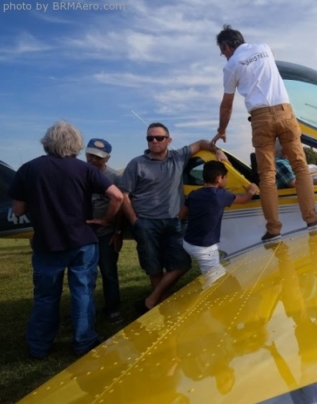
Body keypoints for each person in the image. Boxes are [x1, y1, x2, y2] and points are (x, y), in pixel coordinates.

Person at [9, 120, 123, 358]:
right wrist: (105, 220)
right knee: (82, 293)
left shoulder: (29, 169)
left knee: (45, 297)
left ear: (47, 142)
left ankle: (39, 346)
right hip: (82, 241)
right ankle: (83, 342)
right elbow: (117, 196)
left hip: (46, 243)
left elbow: (18, 210)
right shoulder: (86, 169)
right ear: (77, 144)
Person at [211, 24, 317, 242]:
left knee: (267, 176)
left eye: (222, 52)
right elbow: (270, 58)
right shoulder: (264, 48)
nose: (224, 56)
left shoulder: (231, 66)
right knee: (301, 167)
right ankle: (311, 218)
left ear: (227, 46)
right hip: (284, 112)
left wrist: (222, 129)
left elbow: (226, 105)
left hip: (260, 118)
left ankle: (274, 229)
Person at [119, 122, 223, 313]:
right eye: (150, 138)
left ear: (169, 140)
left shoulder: (178, 156)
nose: (155, 141)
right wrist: (134, 220)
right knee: (154, 265)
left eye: (159, 138)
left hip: (174, 221)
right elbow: (123, 194)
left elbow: (201, 143)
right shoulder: (137, 163)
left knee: (182, 264)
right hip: (146, 222)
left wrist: (218, 152)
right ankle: (161, 305)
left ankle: (151, 300)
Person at [182, 161, 258, 274]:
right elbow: (244, 200)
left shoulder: (194, 194)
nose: (226, 180)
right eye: (225, 177)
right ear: (219, 178)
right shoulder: (221, 195)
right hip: (204, 247)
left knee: (217, 274)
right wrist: (251, 191)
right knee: (215, 279)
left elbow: (182, 214)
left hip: (188, 242)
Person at [85, 138, 125, 323]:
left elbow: (121, 208)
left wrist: (117, 233)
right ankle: (85, 311)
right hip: (83, 234)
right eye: (90, 155)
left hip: (106, 234)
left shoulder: (115, 178)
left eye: (98, 157)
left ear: (107, 158)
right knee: (84, 274)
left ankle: (112, 308)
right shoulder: (80, 173)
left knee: (109, 272)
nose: (93, 160)